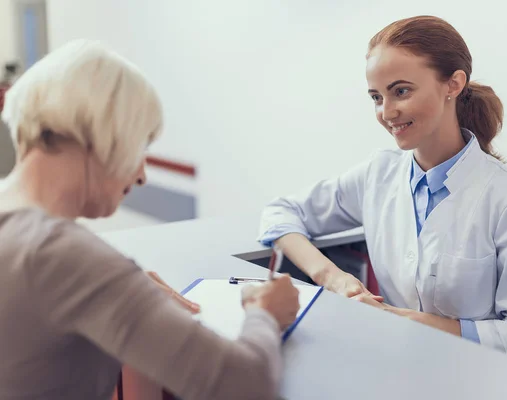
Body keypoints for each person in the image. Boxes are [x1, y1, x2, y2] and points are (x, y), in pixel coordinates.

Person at [0, 39, 300, 400]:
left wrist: (114, 290)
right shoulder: (62, 256)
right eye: (140, 145)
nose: (141, 175)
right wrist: (263, 313)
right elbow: (244, 384)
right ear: (102, 134)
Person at [258, 15, 507, 364]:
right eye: (376, 97)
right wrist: (333, 278)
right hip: (392, 368)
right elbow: (279, 214)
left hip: (473, 380)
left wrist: (402, 321)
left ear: (453, 84)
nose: (387, 112)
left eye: (401, 91)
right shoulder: (377, 174)